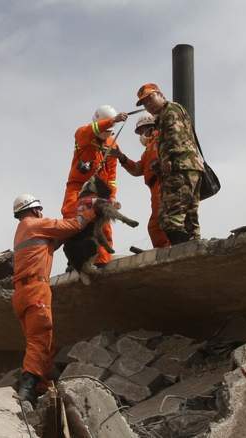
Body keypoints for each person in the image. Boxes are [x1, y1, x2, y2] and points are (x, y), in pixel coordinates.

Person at [12, 193, 97, 404]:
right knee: (39, 340)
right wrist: (92, 211)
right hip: (35, 290)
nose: (41, 213)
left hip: (21, 294)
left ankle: (45, 383)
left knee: (43, 343)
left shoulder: (23, 231)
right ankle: (26, 393)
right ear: (33, 209)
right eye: (39, 209)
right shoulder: (36, 223)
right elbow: (73, 226)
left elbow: (53, 242)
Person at [135, 83, 204, 244]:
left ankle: (181, 252)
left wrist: (166, 160)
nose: (148, 105)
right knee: (189, 218)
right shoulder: (168, 113)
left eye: (150, 98)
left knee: (169, 219)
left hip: (181, 169)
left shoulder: (169, 111)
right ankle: (194, 247)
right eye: (144, 103)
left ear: (160, 94)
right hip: (190, 167)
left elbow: (175, 135)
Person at [60, 105, 128, 266]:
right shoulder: (83, 134)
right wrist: (112, 120)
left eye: (110, 131)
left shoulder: (112, 145)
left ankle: (102, 260)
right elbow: (91, 131)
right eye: (106, 128)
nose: (107, 134)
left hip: (99, 192)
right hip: (78, 187)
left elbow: (111, 175)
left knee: (103, 225)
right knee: (73, 220)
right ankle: (76, 261)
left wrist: (111, 197)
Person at [111, 113, 170, 248]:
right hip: (155, 187)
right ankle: (164, 249)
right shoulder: (148, 150)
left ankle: (166, 249)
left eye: (142, 130)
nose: (141, 135)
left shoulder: (160, 138)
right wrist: (122, 157)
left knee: (158, 223)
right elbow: (137, 169)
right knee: (156, 224)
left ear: (151, 127)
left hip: (163, 183)